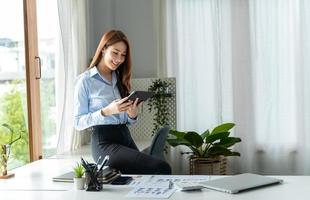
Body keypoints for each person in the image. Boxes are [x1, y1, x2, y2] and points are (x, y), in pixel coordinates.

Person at [74, 30, 171, 175]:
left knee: (144, 179)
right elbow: (78, 122)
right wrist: (106, 111)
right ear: (103, 49)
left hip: (124, 136)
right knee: (161, 168)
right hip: (104, 143)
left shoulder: (119, 78)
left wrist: (132, 115)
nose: (119, 59)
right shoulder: (85, 81)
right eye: (115, 52)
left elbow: (126, 119)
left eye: (123, 55)